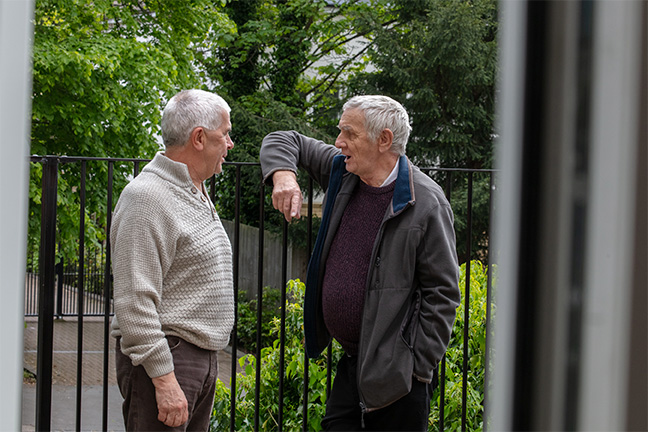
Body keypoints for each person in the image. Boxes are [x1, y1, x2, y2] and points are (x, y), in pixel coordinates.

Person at [260, 95, 460, 431]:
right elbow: (283, 138)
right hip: (353, 365)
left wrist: (415, 365)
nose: (339, 143)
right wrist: (284, 177)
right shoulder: (344, 172)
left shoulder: (425, 203)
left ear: (384, 140)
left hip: (399, 379)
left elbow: (443, 292)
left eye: (349, 134)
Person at [110, 89, 235, 431]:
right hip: (168, 361)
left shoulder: (191, 190)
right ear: (199, 138)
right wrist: (164, 381)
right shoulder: (148, 197)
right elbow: (134, 302)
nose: (230, 143)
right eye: (224, 134)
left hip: (195, 361)